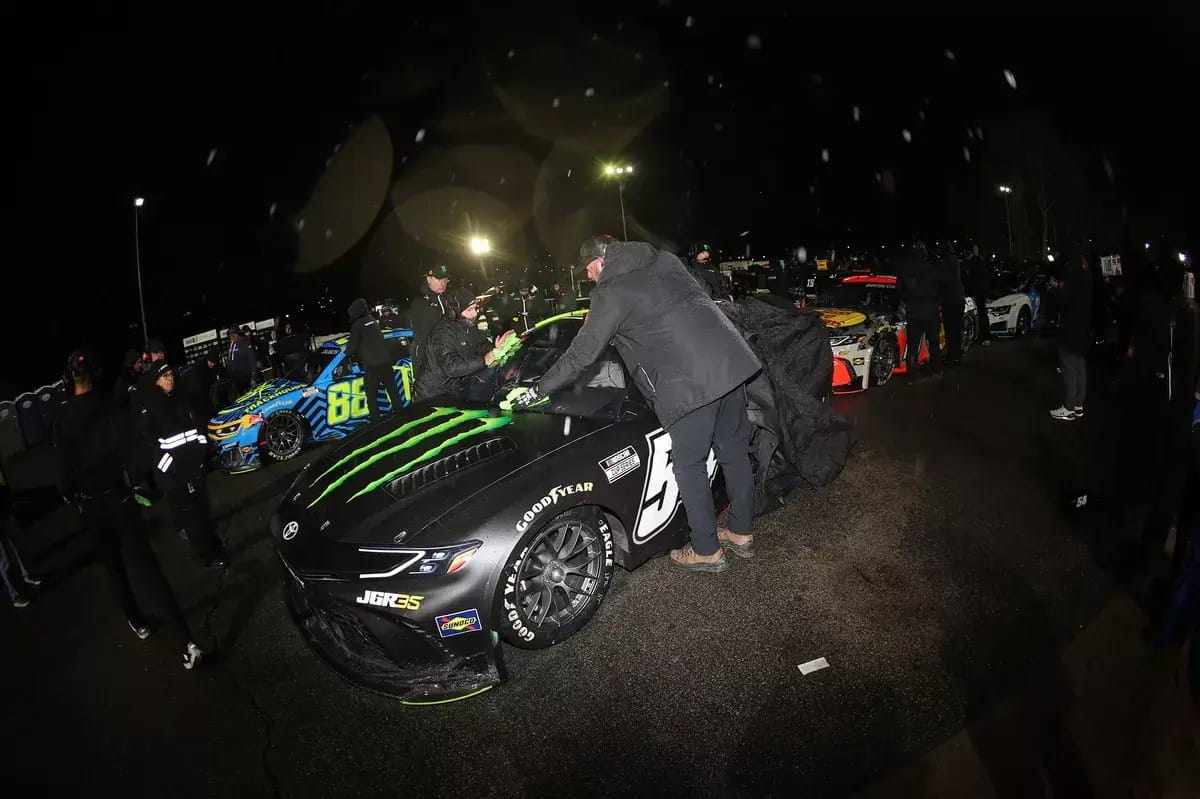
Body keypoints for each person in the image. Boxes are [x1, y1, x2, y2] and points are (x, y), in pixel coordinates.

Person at [505, 236, 761, 572]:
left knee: (689, 467)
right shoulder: (665, 260)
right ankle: (741, 532)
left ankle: (706, 550)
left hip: (689, 386)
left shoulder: (611, 292)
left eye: (589, 271)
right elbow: (666, 308)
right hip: (729, 366)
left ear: (598, 261)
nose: (591, 278)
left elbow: (581, 355)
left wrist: (537, 390)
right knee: (734, 452)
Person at [52, 350, 205, 669]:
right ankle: (187, 640)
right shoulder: (110, 407)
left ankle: (138, 621)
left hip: (93, 506)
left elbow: (64, 475)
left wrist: (73, 496)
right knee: (148, 569)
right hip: (120, 497)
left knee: (115, 570)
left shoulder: (63, 418)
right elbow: (135, 457)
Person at [143, 362, 226, 568]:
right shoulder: (152, 408)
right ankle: (208, 556)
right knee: (190, 517)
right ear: (156, 381)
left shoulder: (183, 399)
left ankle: (214, 546)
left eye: (171, 374)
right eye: (164, 376)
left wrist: (202, 453)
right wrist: (170, 467)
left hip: (193, 467)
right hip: (174, 474)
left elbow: (197, 429)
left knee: (203, 509)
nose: (169, 378)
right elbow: (153, 447)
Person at [413, 301, 511, 402]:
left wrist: (495, 347)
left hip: (454, 388)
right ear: (454, 312)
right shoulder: (443, 333)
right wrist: (484, 360)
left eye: (475, 308)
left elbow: (480, 345)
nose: (475, 313)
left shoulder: (468, 326)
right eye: (469, 310)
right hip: (432, 394)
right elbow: (451, 367)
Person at [1049, 252, 1092, 420]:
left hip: (1072, 325)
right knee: (1079, 363)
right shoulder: (1085, 272)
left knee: (1068, 363)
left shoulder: (1074, 276)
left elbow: (1064, 298)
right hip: (1082, 325)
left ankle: (1068, 407)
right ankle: (1078, 404)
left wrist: (1055, 289)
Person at [347, 298, 402, 424]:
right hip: (386, 363)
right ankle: (401, 416)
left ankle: (376, 423)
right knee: (393, 392)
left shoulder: (357, 325)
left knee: (371, 397)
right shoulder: (372, 321)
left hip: (372, 366)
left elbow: (352, 347)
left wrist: (346, 350)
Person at [409, 265, 473, 369]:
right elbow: (428, 335)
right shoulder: (420, 303)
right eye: (439, 279)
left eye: (445, 280)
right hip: (429, 362)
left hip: (447, 356)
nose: (443, 283)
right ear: (428, 279)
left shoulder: (448, 299)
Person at [897, 240, 942, 377]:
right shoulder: (932, 267)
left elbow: (899, 291)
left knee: (912, 345)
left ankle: (911, 374)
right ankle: (936, 370)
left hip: (913, 312)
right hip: (930, 310)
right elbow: (939, 288)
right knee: (933, 343)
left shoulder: (905, 270)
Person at [0, 459, 40, 608]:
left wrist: (9, 500)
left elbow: (2, 480)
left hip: (4, 510)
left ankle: (27, 574)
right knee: (5, 560)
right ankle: (15, 595)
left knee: (18, 544)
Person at [937, 241, 967, 367]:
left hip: (950, 300)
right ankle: (957, 355)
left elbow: (944, 280)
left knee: (950, 329)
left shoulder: (946, 262)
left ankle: (952, 355)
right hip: (958, 298)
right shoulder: (954, 261)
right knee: (956, 328)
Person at [963, 244, 993, 347]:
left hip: (978, 292)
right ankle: (983, 336)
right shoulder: (979, 262)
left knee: (981, 314)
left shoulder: (974, 263)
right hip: (980, 292)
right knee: (981, 314)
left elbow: (972, 279)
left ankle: (984, 336)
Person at [224, 328, 257, 396]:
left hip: (245, 376)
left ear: (238, 334)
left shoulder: (245, 343)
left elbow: (252, 359)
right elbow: (230, 360)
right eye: (230, 335)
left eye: (234, 334)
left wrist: (253, 376)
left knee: (250, 395)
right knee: (240, 397)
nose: (232, 336)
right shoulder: (230, 344)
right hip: (235, 377)